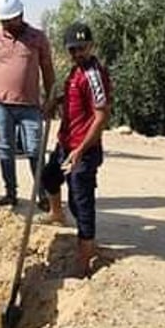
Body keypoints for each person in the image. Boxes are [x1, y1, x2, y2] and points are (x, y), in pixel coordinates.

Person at [40, 22, 112, 276]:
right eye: (73, 49)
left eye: (82, 48)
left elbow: (101, 116)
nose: (77, 53)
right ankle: (56, 214)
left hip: (83, 150)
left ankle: (84, 259)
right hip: (66, 143)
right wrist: (55, 103)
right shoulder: (75, 71)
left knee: (81, 202)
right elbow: (74, 99)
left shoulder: (94, 75)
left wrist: (80, 150)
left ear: (91, 46)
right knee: (49, 176)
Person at [0, 0, 55, 206]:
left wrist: (51, 99)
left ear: (21, 15)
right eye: (3, 21)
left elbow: (47, 69)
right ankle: (10, 193)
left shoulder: (37, 38)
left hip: (31, 106)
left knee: (35, 151)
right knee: (5, 150)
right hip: (2, 106)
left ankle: (42, 194)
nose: (7, 24)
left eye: (10, 20)